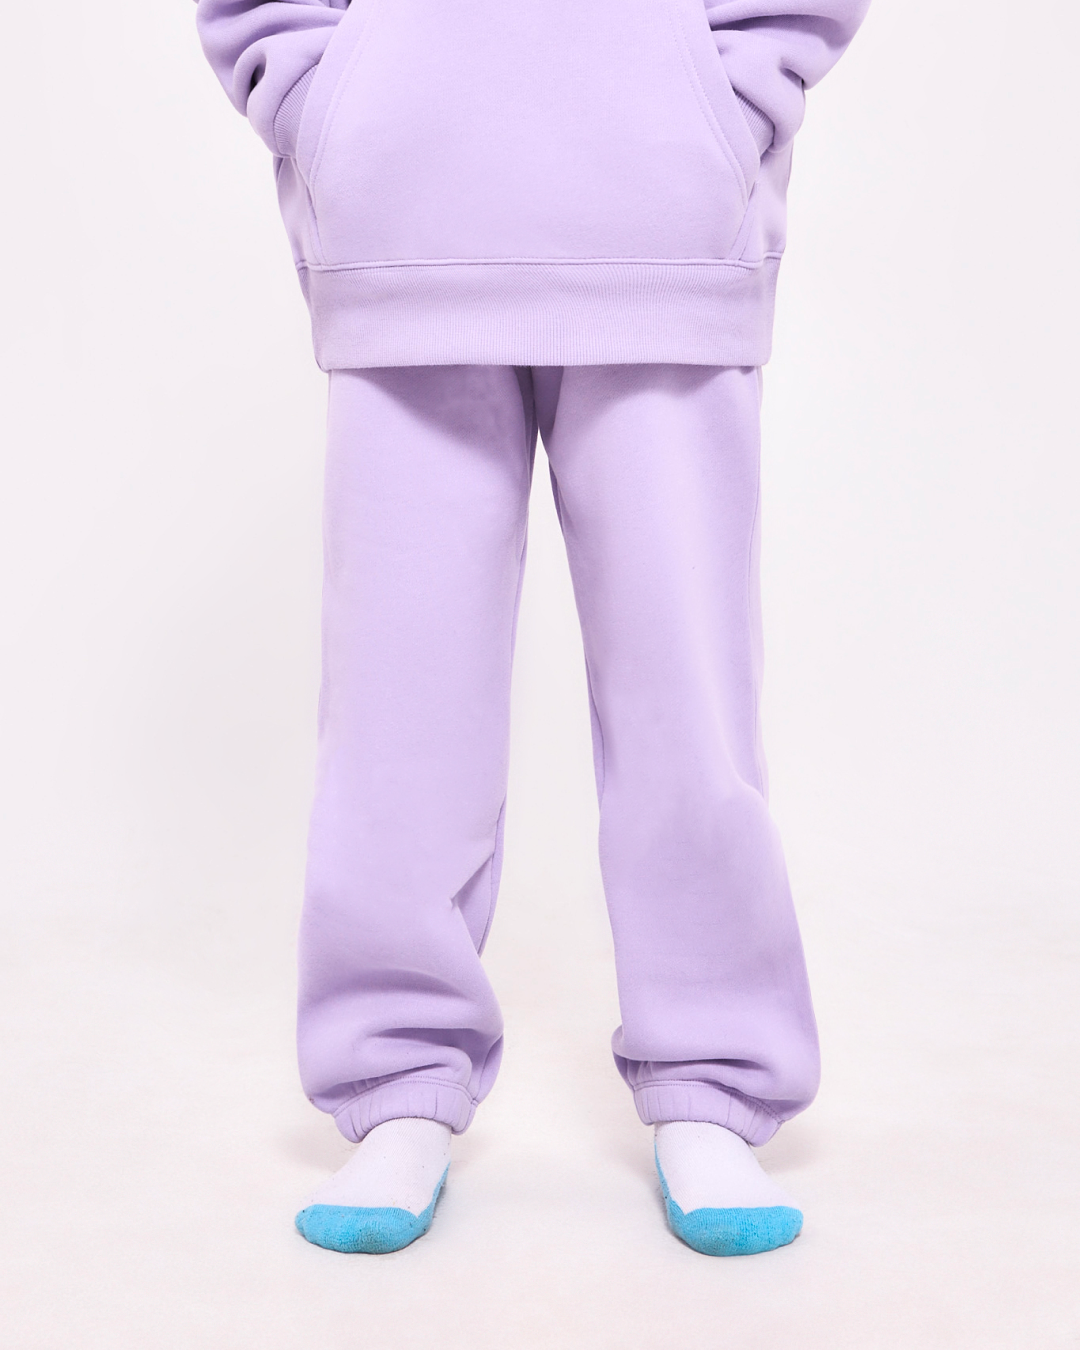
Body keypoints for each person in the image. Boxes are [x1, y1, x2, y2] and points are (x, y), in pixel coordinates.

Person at [195, 0, 869, 1256]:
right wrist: (329, 105)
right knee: (401, 709)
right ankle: (397, 1078)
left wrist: (727, 95)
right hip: (407, 213)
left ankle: (713, 1079)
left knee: (685, 699)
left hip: (664, 217)